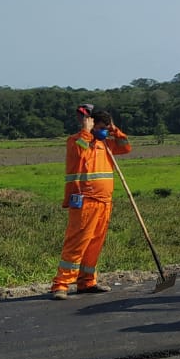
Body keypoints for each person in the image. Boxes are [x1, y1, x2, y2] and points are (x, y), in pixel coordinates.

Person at [51, 104, 132, 300]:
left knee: (95, 244)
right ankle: (61, 284)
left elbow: (126, 147)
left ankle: (87, 282)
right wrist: (86, 131)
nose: (104, 130)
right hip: (85, 202)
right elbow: (81, 155)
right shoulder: (77, 141)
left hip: (105, 203)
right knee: (77, 243)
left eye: (106, 127)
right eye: (101, 126)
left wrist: (114, 130)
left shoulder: (106, 144)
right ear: (91, 124)